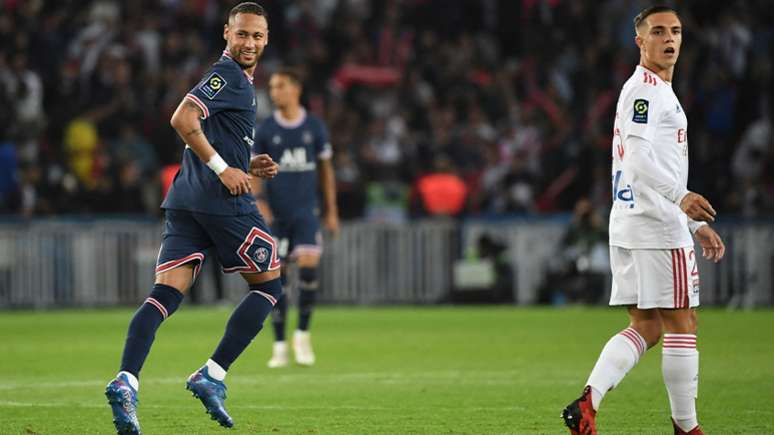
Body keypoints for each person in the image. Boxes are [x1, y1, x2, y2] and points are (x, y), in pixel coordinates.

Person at [105, 3, 280, 434]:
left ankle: (126, 381)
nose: (249, 43)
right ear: (226, 33)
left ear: (267, 38)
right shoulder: (227, 77)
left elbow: (208, 132)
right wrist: (225, 170)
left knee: (165, 294)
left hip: (185, 201)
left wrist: (243, 161)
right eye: (242, 34)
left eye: (257, 36)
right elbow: (183, 118)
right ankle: (212, 375)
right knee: (270, 286)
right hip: (221, 203)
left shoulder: (237, 82)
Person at [561, 7, 726, 435]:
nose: (668, 38)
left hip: (632, 222)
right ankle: (687, 427)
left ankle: (587, 402)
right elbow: (635, 158)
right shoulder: (646, 90)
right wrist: (683, 198)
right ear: (640, 41)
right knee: (682, 323)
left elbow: (649, 163)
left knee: (647, 325)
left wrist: (693, 224)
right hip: (654, 224)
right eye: (657, 31)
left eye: (675, 31)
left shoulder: (649, 90)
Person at [252, 68, 339, 368]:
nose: (275, 92)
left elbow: (326, 171)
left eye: (280, 86)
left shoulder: (314, 127)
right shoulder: (264, 130)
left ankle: (302, 333)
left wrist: (332, 210)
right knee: (278, 280)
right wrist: (259, 200)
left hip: (306, 212)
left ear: (296, 89)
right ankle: (279, 345)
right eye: (272, 87)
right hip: (277, 214)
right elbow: (254, 170)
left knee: (309, 267)